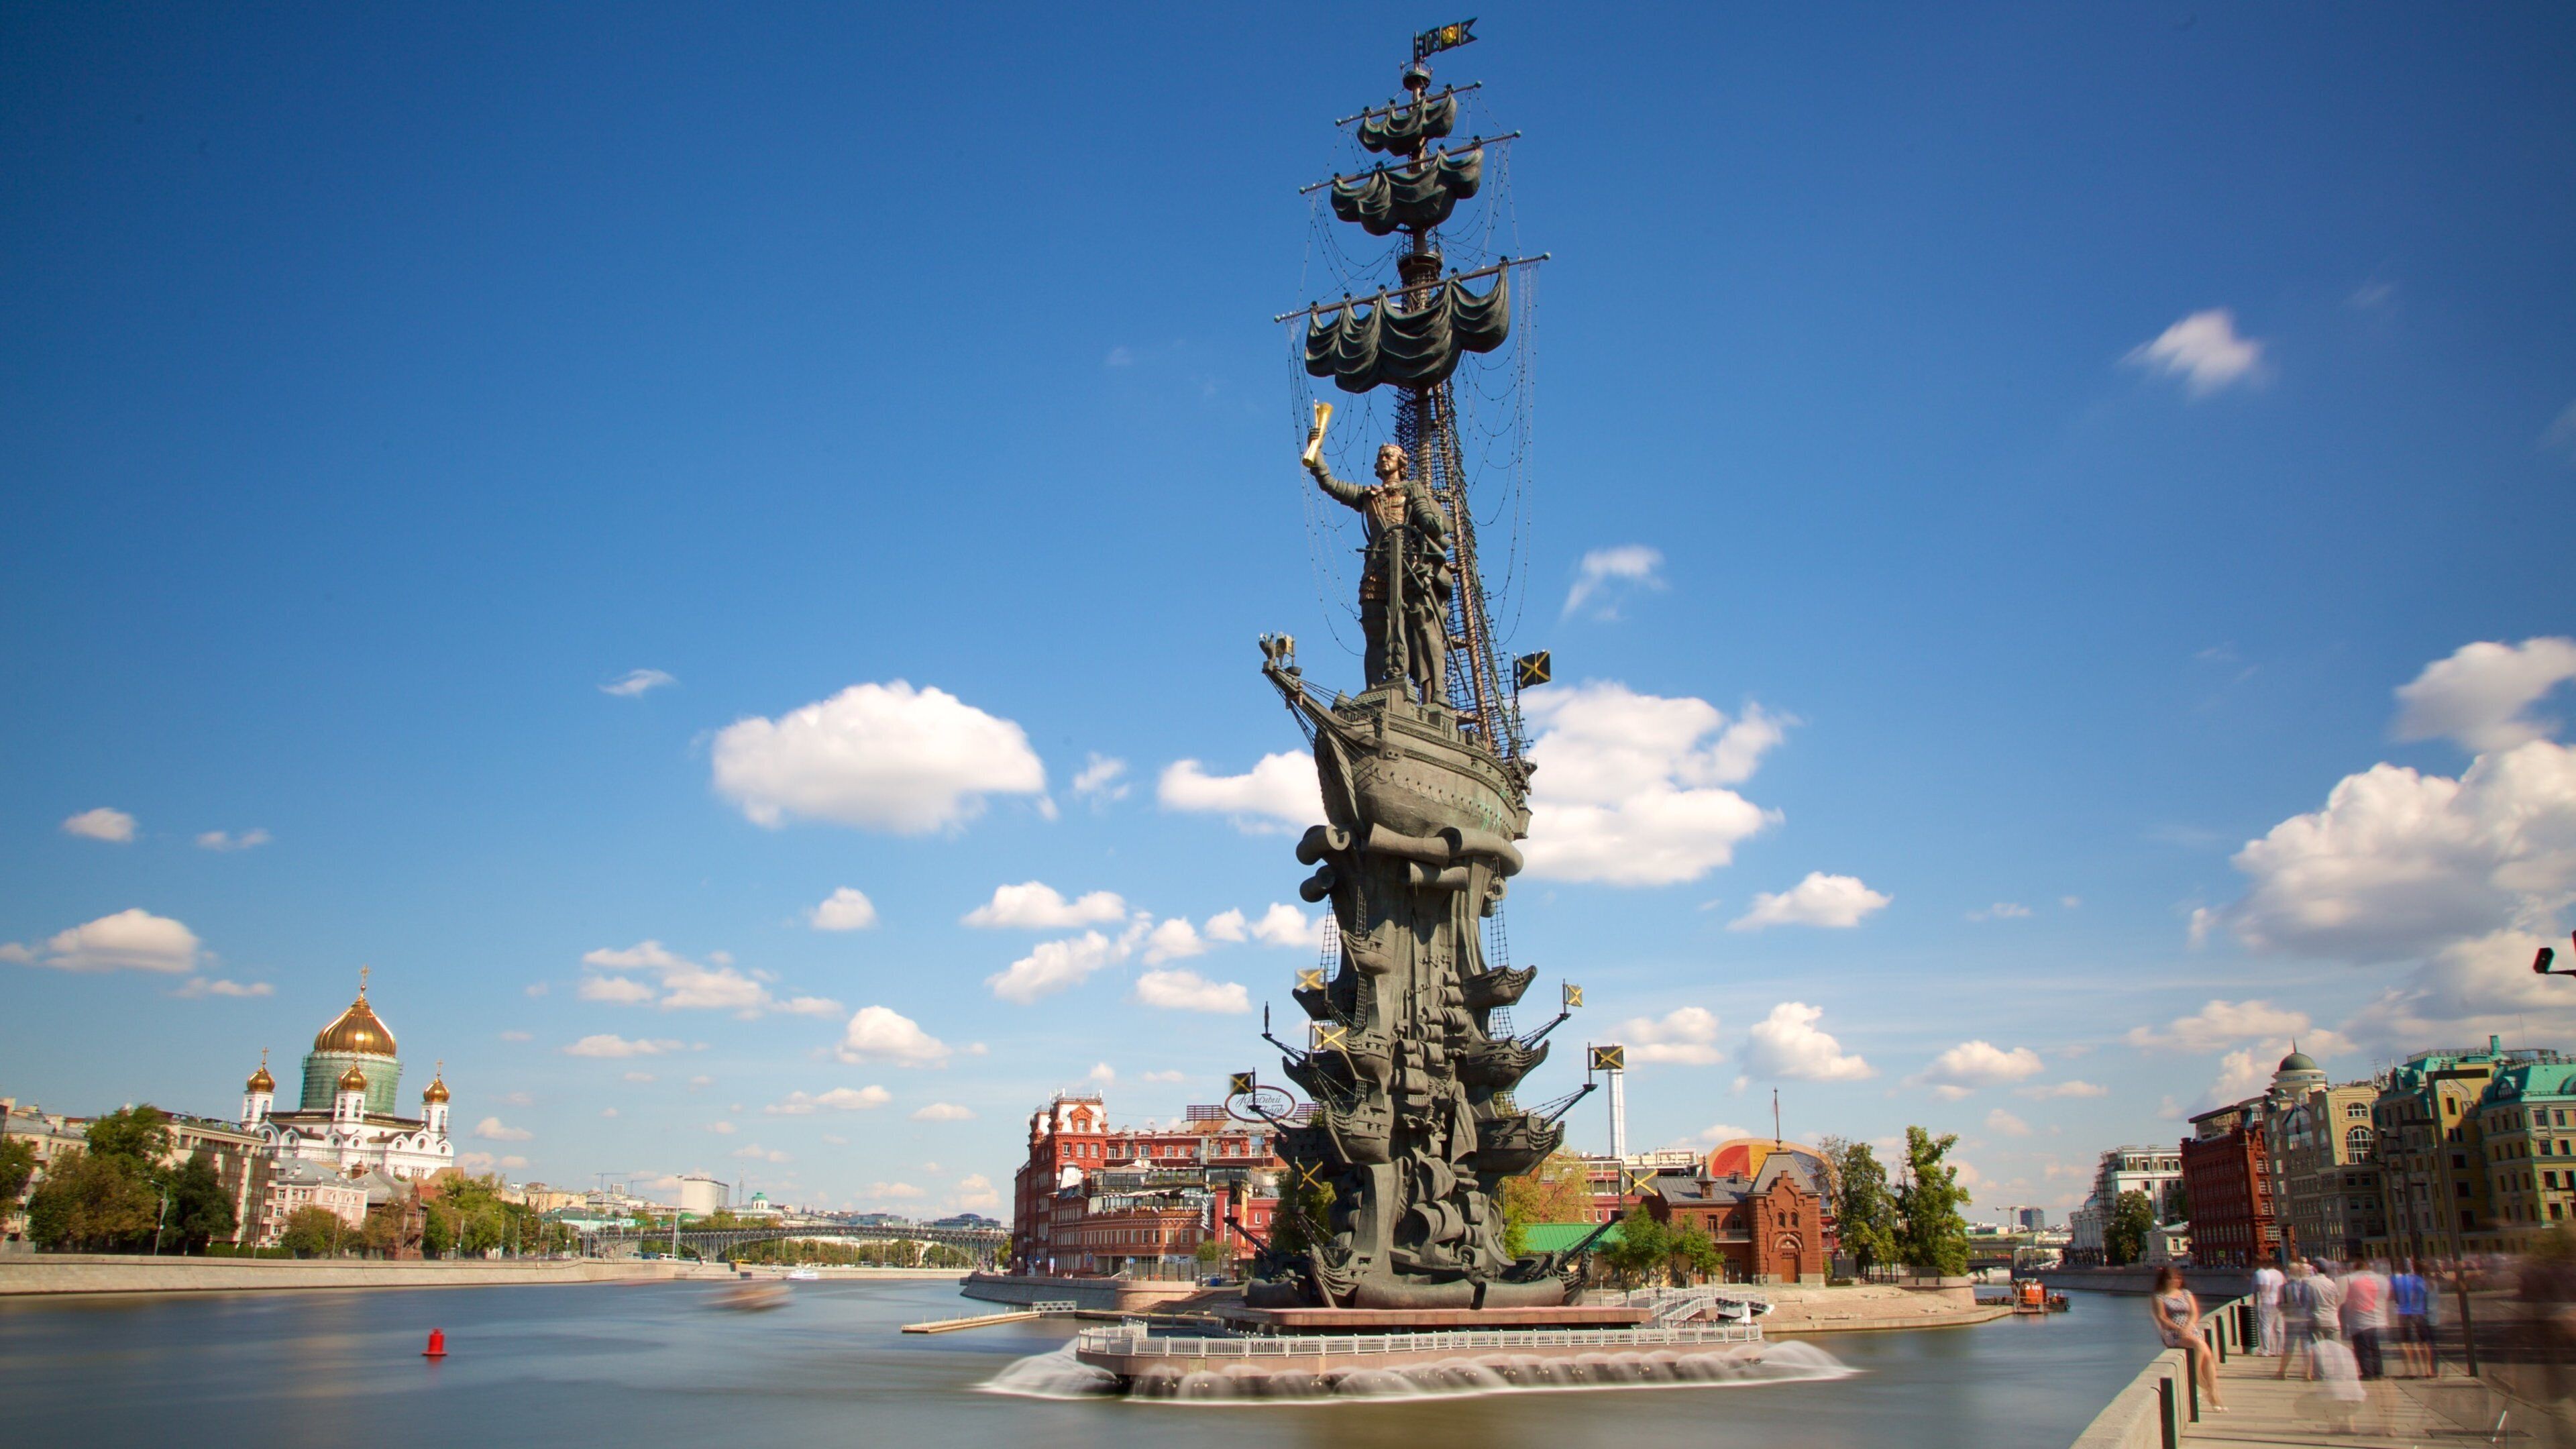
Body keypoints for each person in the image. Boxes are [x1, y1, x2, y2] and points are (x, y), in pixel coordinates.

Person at [1303, 414, 1454, 706]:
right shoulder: (1369, 495)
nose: (1384, 459)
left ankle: (1438, 695)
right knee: (1374, 628)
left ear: (1401, 463)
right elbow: (1332, 485)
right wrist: (1316, 454)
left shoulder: (1412, 490)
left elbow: (1424, 516)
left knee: (1423, 623)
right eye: (1381, 456)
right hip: (1378, 565)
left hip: (1411, 565)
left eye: (1390, 456)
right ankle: (1374, 689)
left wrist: (1432, 523)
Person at [2151, 1265, 2227, 1411]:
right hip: (2173, 1333)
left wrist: (2188, 1327)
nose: (2176, 1281)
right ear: (2165, 1280)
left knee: (2209, 1356)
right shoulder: (2159, 1297)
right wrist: (2179, 1329)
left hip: (2190, 1330)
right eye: (2172, 1278)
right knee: (2199, 1345)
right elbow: (2162, 1317)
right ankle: (2197, 1377)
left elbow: (2194, 1313)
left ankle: (2214, 1394)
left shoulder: (2186, 1293)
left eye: (2178, 1278)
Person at [2344, 1258, 2390, 1379]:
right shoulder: (2381, 1279)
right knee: (2375, 1348)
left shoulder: (2352, 1280)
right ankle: (2379, 1373)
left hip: (2359, 1320)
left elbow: (2347, 1300)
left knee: (2362, 1349)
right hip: (2378, 1320)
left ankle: (2368, 1373)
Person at [2390, 1256, 2432, 1378]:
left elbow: (2393, 1295)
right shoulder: (2419, 1280)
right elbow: (2426, 1295)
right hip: (2419, 1312)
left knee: (2406, 1342)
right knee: (2424, 1342)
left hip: (2403, 1312)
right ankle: (2427, 1370)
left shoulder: (2396, 1280)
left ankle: (2410, 1370)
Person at [2277, 1262, 2316, 1380]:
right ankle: (2308, 1372)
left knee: (2289, 1346)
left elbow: (2280, 1304)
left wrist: (2285, 1310)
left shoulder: (2284, 1288)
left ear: (2289, 1272)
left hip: (2291, 1320)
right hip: (2306, 1318)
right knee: (2306, 1346)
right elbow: (2313, 1303)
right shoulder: (2309, 1286)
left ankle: (2282, 1371)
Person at [2253, 1260, 2286, 1355]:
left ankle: (2266, 1350)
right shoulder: (2280, 1274)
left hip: (2267, 1302)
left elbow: (2264, 1290)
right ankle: (2279, 1350)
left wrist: (2260, 1300)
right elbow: (2284, 1288)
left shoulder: (2265, 1274)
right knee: (2279, 1327)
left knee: (2266, 1326)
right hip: (2279, 1302)